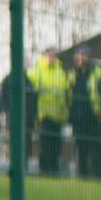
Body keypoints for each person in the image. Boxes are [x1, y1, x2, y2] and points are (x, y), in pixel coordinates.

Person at [69, 46, 101, 179]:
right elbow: (69, 96)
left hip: (94, 118)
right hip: (78, 119)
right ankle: (82, 177)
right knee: (81, 150)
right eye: (79, 55)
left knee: (96, 150)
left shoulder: (98, 73)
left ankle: (97, 177)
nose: (81, 58)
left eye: (84, 55)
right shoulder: (73, 75)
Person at [27, 46, 70, 176]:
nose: (52, 57)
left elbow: (65, 92)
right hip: (44, 115)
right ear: (44, 55)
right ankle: (44, 171)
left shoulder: (60, 72)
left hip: (58, 116)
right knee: (45, 145)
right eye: (50, 55)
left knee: (56, 146)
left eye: (54, 55)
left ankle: (54, 172)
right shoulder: (37, 70)